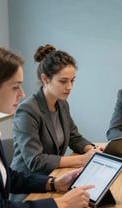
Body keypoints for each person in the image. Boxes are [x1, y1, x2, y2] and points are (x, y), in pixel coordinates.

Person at [0, 45, 93, 208]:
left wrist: (53, 183)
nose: (22, 94)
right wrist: (61, 205)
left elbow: (6, 176)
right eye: (15, 87)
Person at [11, 44, 101, 177]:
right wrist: (81, 160)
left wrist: (93, 150)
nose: (69, 87)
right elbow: (35, 161)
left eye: (72, 81)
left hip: (53, 176)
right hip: (27, 184)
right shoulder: (27, 110)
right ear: (45, 79)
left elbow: (74, 138)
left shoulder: (62, 104)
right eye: (63, 81)